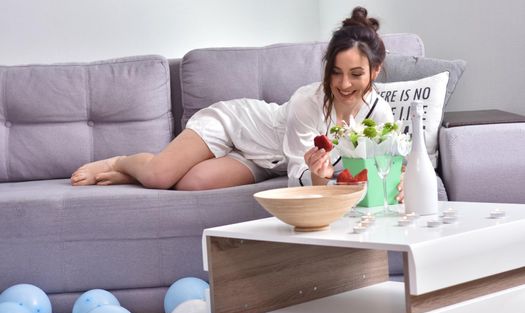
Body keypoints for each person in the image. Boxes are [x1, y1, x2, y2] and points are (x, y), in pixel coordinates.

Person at [71, 6, 394, 191]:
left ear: (375, 71)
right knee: (159, 175)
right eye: (336, 72)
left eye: (355, 74)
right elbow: (301, 170)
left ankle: (133, 175)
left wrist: (396, 181)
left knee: (191, 184)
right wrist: (318, 176)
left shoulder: (379, 114)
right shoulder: (306, 102)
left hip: (264, 160)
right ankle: (122, 162)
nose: (344, 83)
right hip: (237, 126)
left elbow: (389, 166)